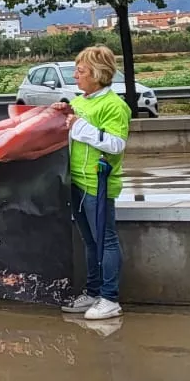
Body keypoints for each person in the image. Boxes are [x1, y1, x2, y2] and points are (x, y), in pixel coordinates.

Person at [61, 45, 130, 321]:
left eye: (81, 71)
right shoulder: (80, 102)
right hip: (77, 182)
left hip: (98, 185)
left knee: (106, 241)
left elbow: (116, 144)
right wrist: (62, 113)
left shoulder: (114, 105)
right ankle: (92, 291)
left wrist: (79, 127)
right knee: (90, 242)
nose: (76, 76)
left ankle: (110, 297)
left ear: (97, 74)